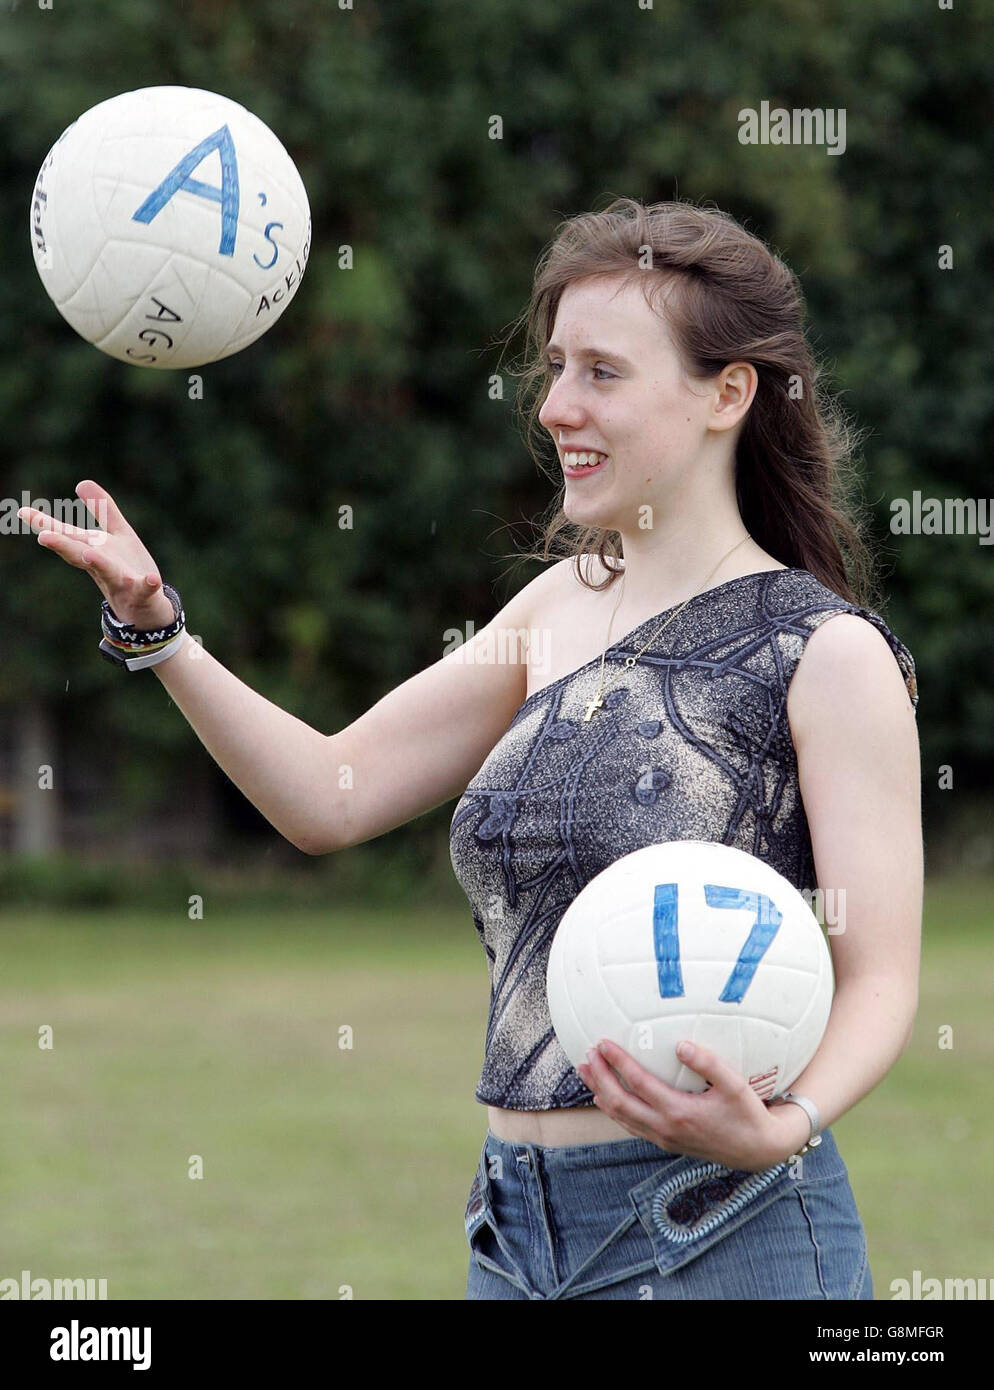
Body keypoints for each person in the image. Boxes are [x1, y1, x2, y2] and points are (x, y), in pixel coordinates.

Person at [19, 197, 922, 1302]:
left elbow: (879, 975)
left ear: (726, 394)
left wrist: (783, 1122)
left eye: (601, 372)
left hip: (723, 1234)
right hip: (511, 1235)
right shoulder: (553, 605)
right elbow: (330, 795)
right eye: (553, 368)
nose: (554, 408)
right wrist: (159, 631)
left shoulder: (823, 651)